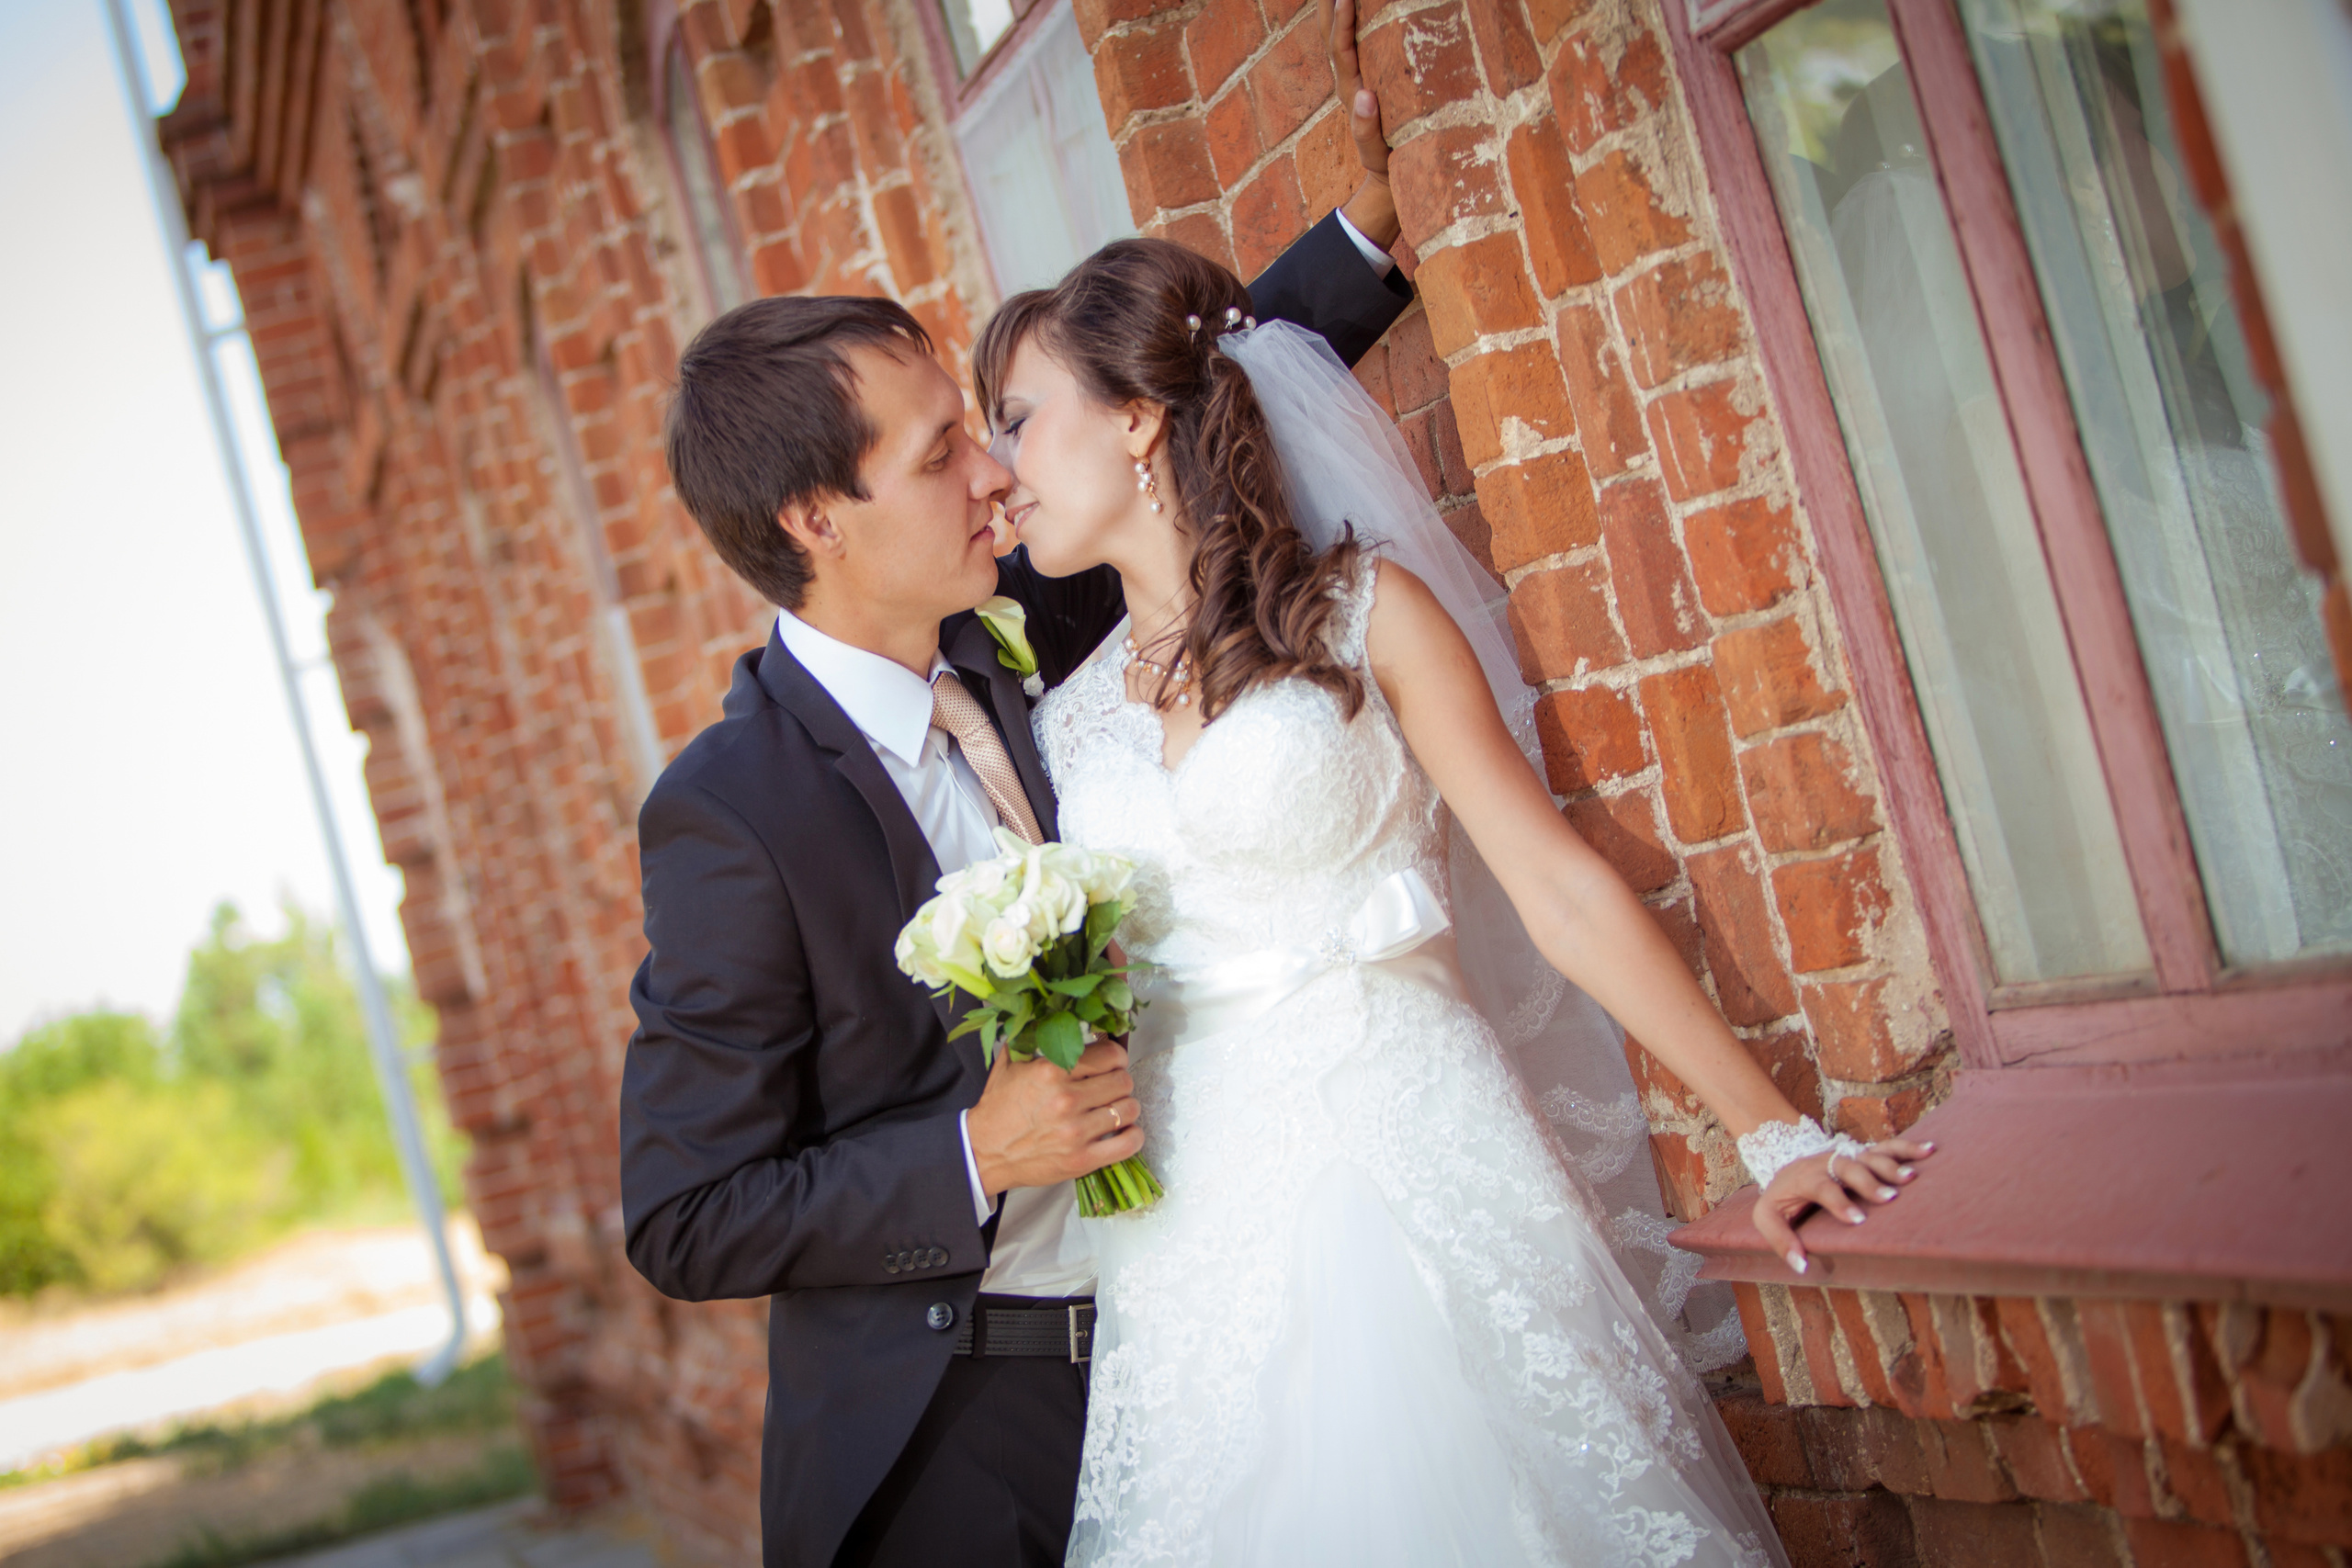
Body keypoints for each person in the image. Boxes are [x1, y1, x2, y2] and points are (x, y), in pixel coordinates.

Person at [969, 238, 1937, 1566]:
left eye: (1016, 419)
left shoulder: (1362, 614)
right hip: (1198, 1237)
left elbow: (1554, 886)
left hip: (1406, 1140)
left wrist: (1774, 1135)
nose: (995, 465)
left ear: (1135, 417)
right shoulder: (1068, 727)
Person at [616, 7, 1413, 1564]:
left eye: (983, 432)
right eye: (937, 456)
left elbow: (1158, 436)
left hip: (1192, 1346)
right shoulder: (733, 814)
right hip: (957, 1438)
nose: (995, 471)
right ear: (816, 523)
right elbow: (684, 1214)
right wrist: (978, 1153)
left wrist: (1367, 245)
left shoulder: (1018, 640)